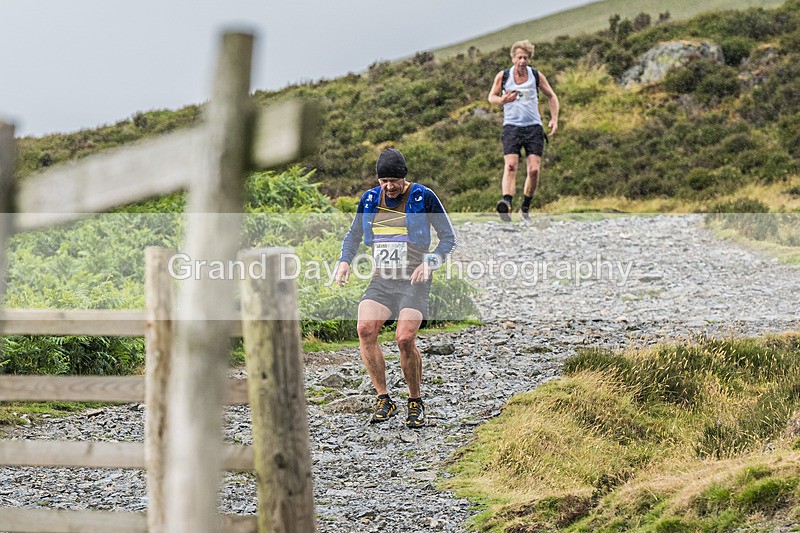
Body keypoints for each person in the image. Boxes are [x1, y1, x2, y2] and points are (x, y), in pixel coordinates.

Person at [334, 148, 457, 428]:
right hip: (382, 280)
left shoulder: (422, 196)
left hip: (414, 282)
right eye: (383, 180)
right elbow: (353, 235)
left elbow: (448, 238)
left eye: (394, 180)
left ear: (404, 177)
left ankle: (415, 401)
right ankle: (384, 398)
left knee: (404, 339)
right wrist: (344, 262)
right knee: (365, 329)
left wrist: (430, 262)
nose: (389, 186)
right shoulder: (368, 200)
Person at [488, 39, 559, 222]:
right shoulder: (504, 76)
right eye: (519, 57)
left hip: (533, 127)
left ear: (529, 59)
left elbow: (551, 96)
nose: (522, 61)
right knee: (511, 166)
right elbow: (491, 97)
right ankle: (506, 203)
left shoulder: (535, 75)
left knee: (534, 170)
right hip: (511, 127)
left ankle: (525, 207)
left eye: (526, 58)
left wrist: (554, 119)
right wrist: (503, 100)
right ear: (513, 58)